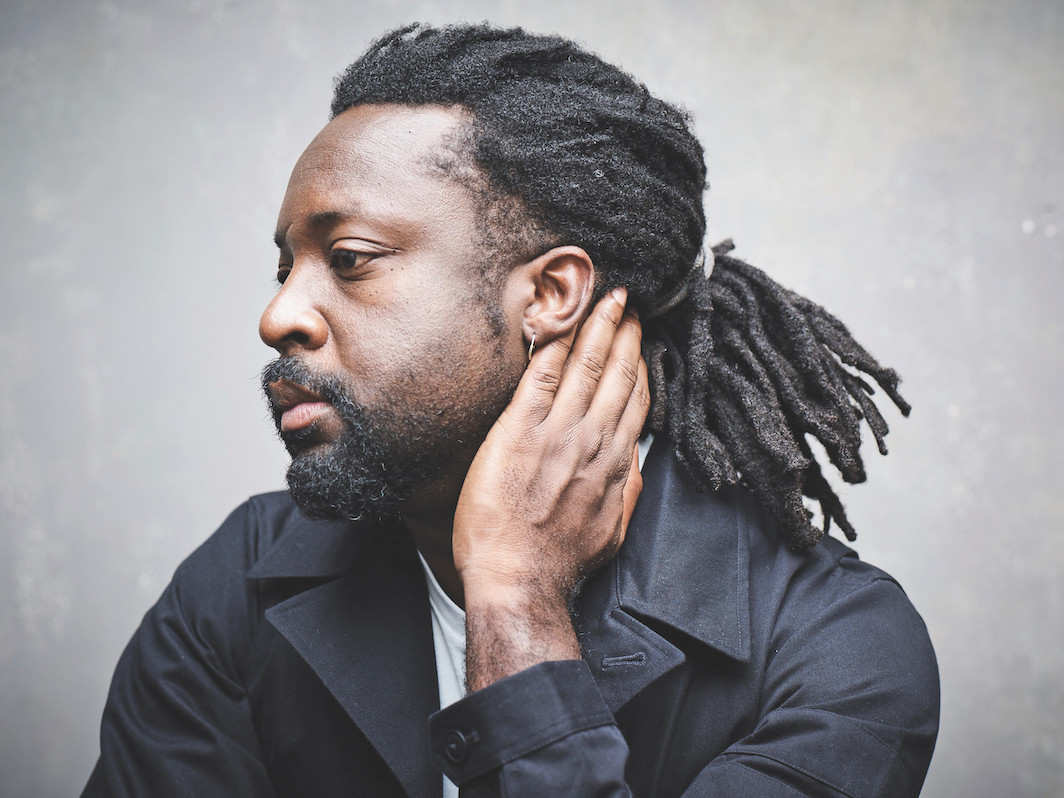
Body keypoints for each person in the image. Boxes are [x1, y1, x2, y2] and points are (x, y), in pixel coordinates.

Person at [82, 22, 939, 798]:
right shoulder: (239, 585)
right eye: (285, 268)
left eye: (349, 258)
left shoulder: (837, 647)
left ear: (552, 293)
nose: (279, 317)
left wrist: (516, 598)